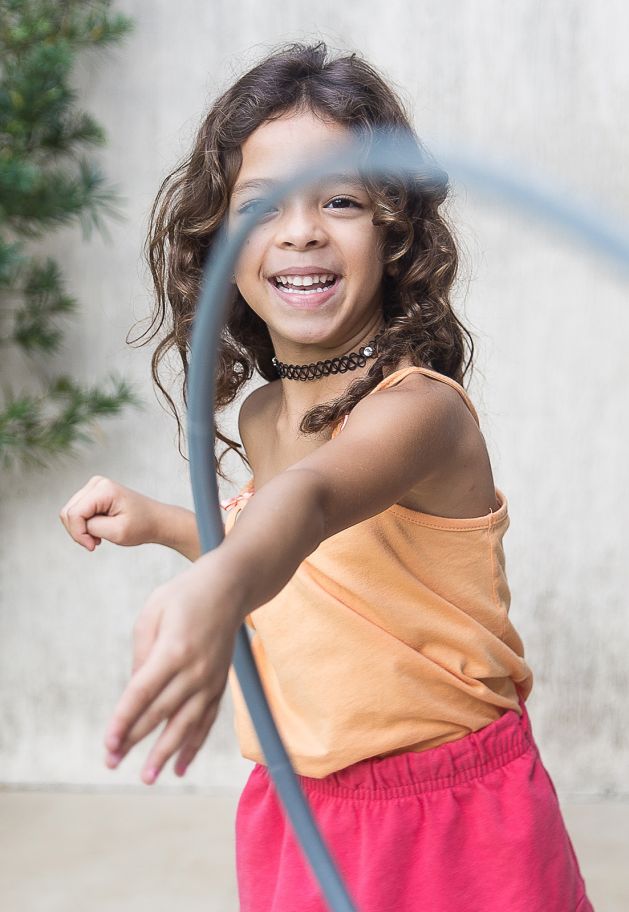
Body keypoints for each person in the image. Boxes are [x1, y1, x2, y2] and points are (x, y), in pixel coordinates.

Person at [59, 41, 595, 912]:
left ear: (393, 232)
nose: (300, 229)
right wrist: (164, 524)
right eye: (260, 204)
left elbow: (310, 504)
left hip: (452, 815)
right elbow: (304, 564)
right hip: (299, 805)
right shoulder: (263, 416)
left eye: (339, 200)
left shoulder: (418, 413)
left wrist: (214, 592)